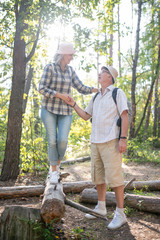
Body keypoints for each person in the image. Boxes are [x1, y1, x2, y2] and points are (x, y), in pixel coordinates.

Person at [66, 66, 129, 230]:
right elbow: (86, 116)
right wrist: (73, 104)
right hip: (95, 142)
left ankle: (120, 214)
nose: (99, 75)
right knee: (99, 178)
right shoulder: (96, 97)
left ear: (110, 77)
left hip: (111, 142)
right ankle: (101, 208)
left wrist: (123, 138)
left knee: (115, 179)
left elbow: (124, 115)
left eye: (103, 72)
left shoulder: (117, 93)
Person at [38, 42, 98, 184]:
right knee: (52, 140)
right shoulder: (50, 68)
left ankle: (56, 164)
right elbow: (41, 88)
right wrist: (59, 95)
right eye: (70, 55)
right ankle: (54, 171)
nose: (72, 57)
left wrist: (94, 89)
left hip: (65, 111)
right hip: (49, 109)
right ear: (63, 55)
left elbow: (80, 87)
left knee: (62, 141)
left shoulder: (71, 71)